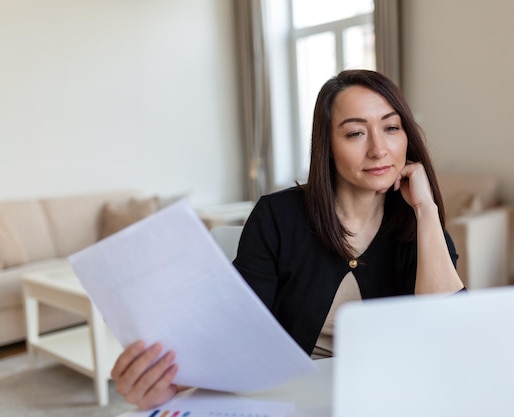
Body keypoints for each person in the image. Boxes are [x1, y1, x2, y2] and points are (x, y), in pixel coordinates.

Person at [111, 69, 465, 409]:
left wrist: (427, 210)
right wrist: (168, 381)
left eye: (391, 128)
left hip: (389, 395)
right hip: (291, 398)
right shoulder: (277, 217)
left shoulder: (419, 223)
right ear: (327, 145)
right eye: (355, 133)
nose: (378, 149)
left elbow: (449, 333)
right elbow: (237, 334)